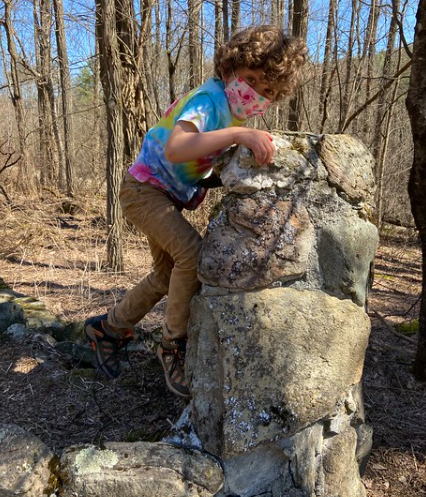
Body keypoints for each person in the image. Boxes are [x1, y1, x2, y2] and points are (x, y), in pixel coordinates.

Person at [85, 25, 307, 399]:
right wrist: (239, 136)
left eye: (267, 91)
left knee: (167, 273)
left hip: (164, 195)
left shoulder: (232, 115)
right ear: (229, 68)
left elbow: (198, 164)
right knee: (191, 254)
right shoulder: (210, 99)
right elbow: (177, 147)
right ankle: (172, 345)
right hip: (143, 190)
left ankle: (108, 328)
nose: (256, 94)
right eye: (251, 80)